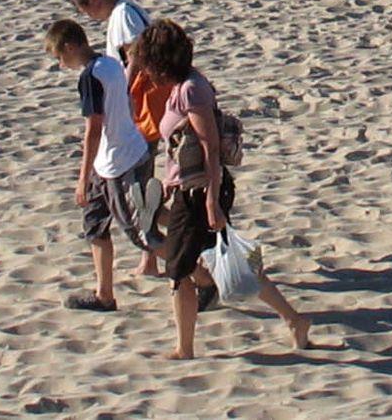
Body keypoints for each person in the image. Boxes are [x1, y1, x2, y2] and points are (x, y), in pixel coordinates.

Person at [129, 21, 316, 359]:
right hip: (190, 188)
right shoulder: (185, 84)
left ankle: (184, 348)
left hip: (199, 192)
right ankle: (295, 320)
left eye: (148, 65)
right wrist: (174, 182)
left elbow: (210, 147)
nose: (146, 73)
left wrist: (212, 201)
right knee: (231, 260)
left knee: (179, 270)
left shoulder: (191, 90)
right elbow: (185, 145)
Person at [44, 20, 163, 314]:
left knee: (141, 231)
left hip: (120, 161)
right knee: (95, 225)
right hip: (111, 160)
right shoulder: (110, 63)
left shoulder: (91, 76)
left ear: (70, 47)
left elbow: (93, 129)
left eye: (60, 57)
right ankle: (104, 295)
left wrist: (82, 179)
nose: (61, 64)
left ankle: (201, 275)